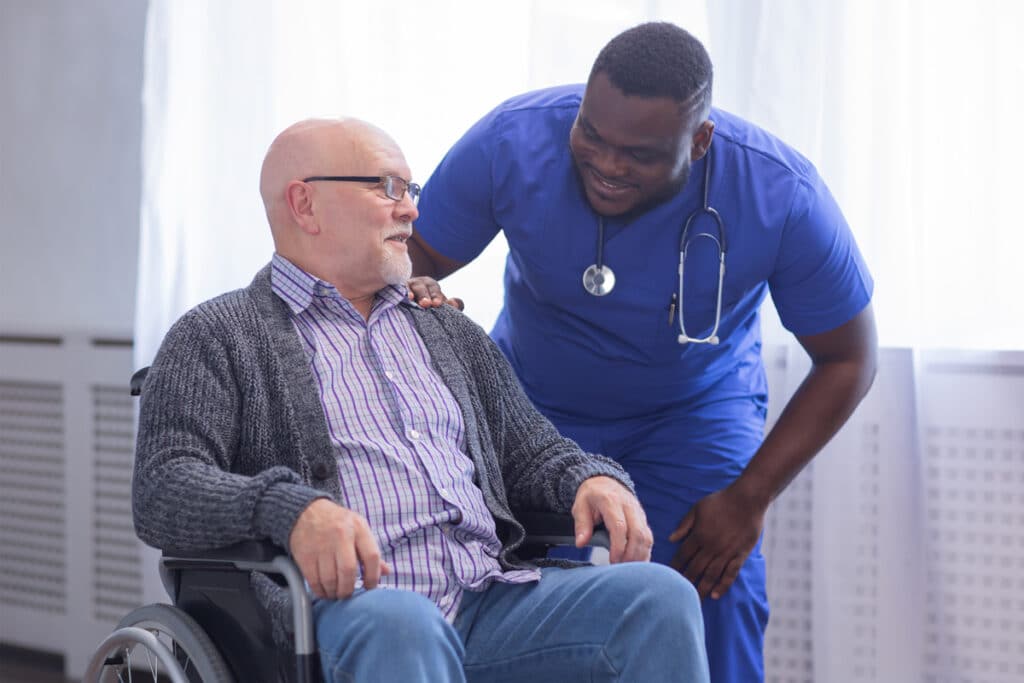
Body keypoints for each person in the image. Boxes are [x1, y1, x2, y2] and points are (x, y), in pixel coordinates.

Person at [132, 117, 710, 682]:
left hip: (490, 598)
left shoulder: (447, 329)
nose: (410, 208)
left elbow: (530, 452)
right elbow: (163, 485)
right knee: (405, 625)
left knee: (658, 597)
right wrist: (292, 508)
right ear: (304, 204)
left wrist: (589, 480)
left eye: (411, 189)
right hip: (349, 612)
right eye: (386, 187)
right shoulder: (216, 333)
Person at [407, 22, 878, 683]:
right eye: (591, 135)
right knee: (502, 588)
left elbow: (850, 357)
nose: (606, 163)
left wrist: (749, 497)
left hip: (690, 414)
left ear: (701, 139)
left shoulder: (780, 191)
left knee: (713, 584)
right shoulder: (512, 139)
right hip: (533, 410)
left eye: (640, 153)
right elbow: (415, 250)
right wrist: (415, 284)